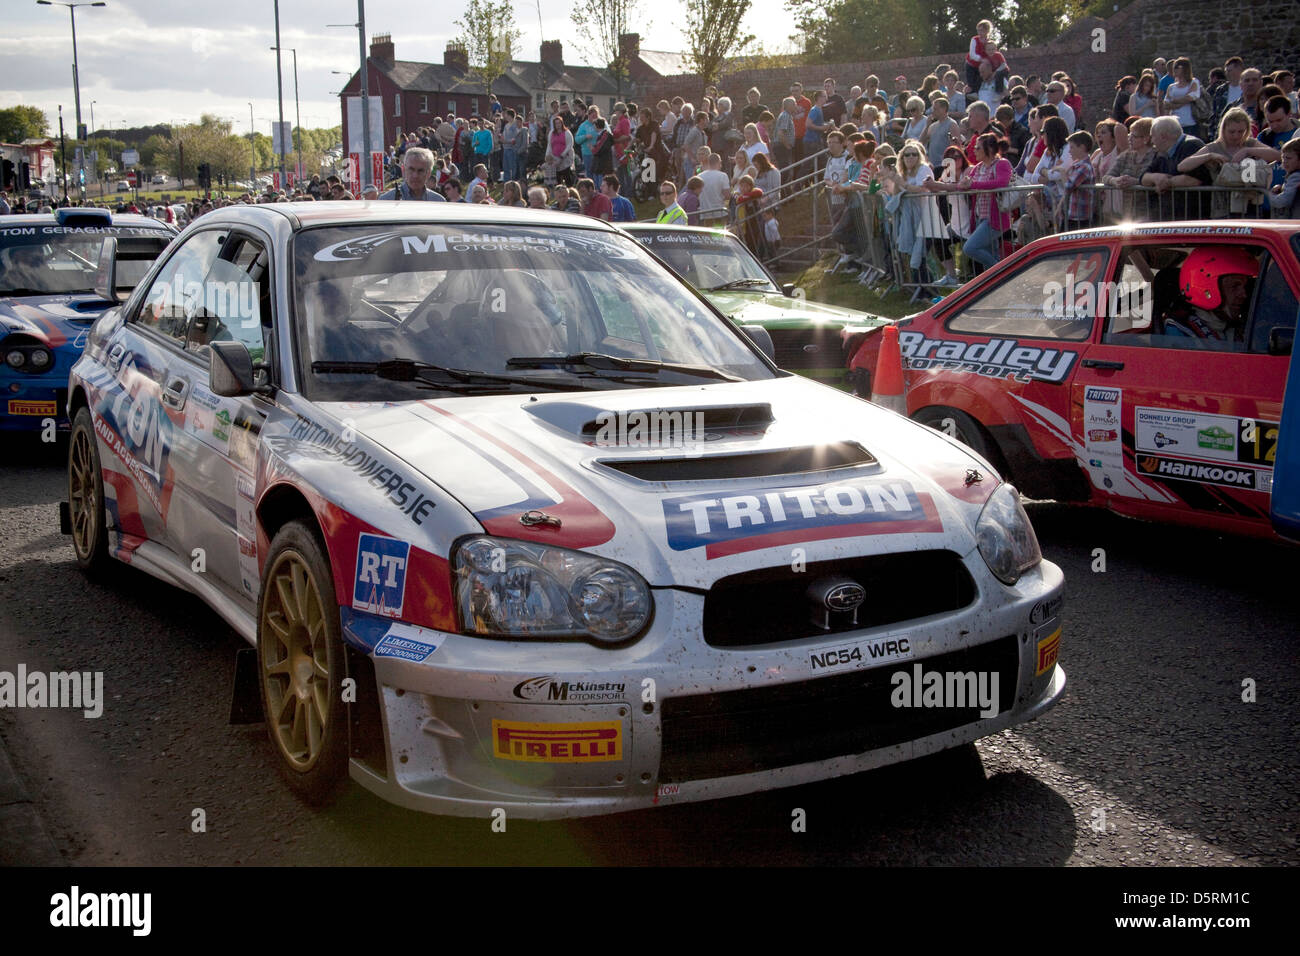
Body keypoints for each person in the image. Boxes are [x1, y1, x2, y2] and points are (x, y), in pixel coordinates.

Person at [1168, 246, 1259, 343]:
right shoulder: (1179, 332)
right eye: (1234, 286)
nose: (1244, 295)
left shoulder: (1236, 327)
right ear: (1207, 289)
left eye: (1244, 286)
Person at [1057, 130, 1096, 230]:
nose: (1070, 151)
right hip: (1072, 216)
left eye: (1072, 147)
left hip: (1080, 219)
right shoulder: (1077, 165)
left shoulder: (1084, 167)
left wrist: (1062, 173)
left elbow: (1068, 186)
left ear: (1082, 147)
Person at [378, 148, 446, 200]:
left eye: (420, 171)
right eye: (411, 169)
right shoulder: (387, 200)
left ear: (428, 173)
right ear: (403, 170)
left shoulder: (438, 201)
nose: (415, 175)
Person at [1163, 57, 1203, 137]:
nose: (1174, 69)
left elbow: (1191, 97)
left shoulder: (1193, 82)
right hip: (1175, 124)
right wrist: (1179, 103)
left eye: (1177, 67)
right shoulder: (1171, 87)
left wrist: (1174, 102)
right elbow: (1166, 104)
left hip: (1190, 123)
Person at [1268, 138, 1300, 217]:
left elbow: (1282, 201)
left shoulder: (1296, 177)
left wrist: (1268, 194)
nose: (1284, 161)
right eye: (1283, 158)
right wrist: (1281, 188)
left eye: (1289, 158)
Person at [698, 153, 731, 224]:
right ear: (719, 162)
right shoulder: (723, 176)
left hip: (705, 212)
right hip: (719, 211)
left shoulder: (699, 176)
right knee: (720, 234)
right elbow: (727, 195)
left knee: (707, 234)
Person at [544, 114, 576, 187]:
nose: (558, 125)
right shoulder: (551, 133)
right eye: (556, 123)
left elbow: (570, 145)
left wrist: (563, 155)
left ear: (562, 123)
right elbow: (549, 145)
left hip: (565, 158)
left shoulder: (567, 133)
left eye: (559, 123)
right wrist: (547, 156)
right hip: (555, 159)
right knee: (557, 179)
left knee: (567, 177)